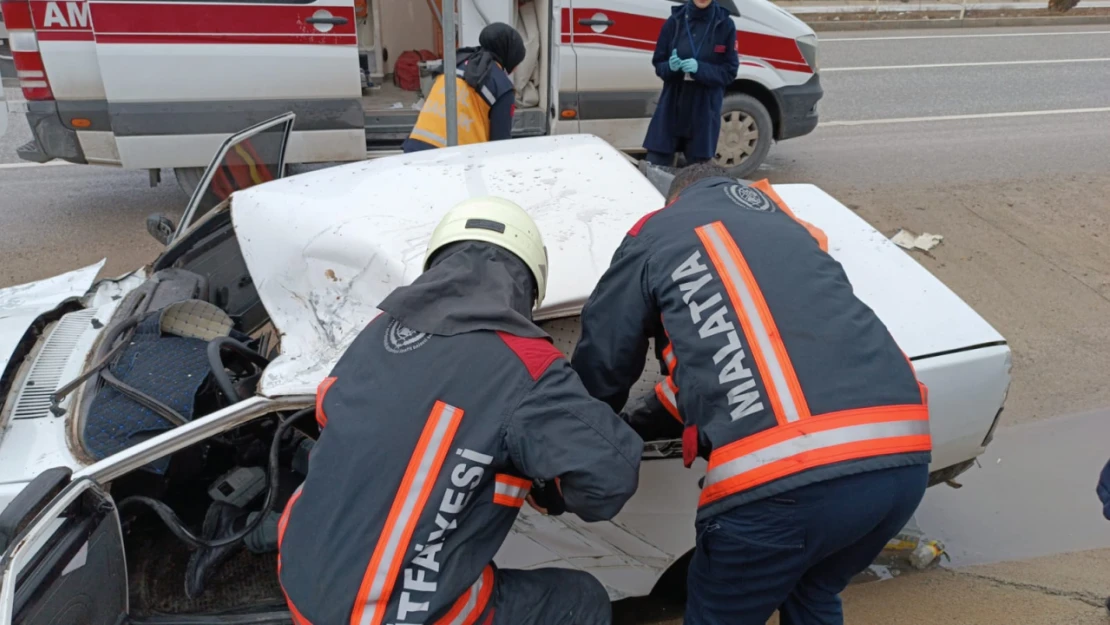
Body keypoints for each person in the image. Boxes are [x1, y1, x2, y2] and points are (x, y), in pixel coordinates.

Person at [571, 163, 933, 625]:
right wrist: (646, 419)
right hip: (902, 465)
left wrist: (578, 436)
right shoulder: (790, 228)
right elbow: (739, 366)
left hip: (787, 484)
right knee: (813, 591)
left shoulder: (657, 232)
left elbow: (605, 357)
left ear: (675, 198)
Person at [277, 197, 644, 625]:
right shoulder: (524, 365)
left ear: (437, 264)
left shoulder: (380, 329)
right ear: (527, 286)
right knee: (582, 600)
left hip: (301, 581)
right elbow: (612, 477)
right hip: (392, 613)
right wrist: (552, 492)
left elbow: (329, 411)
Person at [643, 0, 739, 168]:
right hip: (672, 105)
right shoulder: (674, 21)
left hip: (703, 109)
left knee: (698, 173)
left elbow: (729, 72)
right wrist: (670, 67)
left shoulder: (725, 24)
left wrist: (700, 69)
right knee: (655, 167)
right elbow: (659, 64)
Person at [403, 23, 526, 153]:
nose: (516, 68)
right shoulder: (502, 87)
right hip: (452, 161)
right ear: (510, 57)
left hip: (413, 152)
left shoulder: (454, 63)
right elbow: (500, 146)